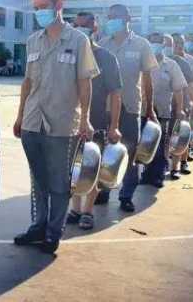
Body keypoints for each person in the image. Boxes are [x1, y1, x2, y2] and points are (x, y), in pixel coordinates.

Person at [13, 0, 99, 253]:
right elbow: (27, 82)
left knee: (60, 182)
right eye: (36, 8)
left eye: (43, 7)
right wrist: (19, 116)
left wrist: (85, 119)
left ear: (59, 4)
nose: (39, 13)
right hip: (32, 121)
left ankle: (53, 232)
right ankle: (37, 227)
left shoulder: (78, 40)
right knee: (37, 179)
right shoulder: (33, 41)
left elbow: (85, 83)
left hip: (63, 123)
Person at [98, 4, 158, 212]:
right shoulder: (102, 44)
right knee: (104, 151)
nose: (111, 20)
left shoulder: (141, 45)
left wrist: (150, 108)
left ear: (127, 18)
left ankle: (126, 195)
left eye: (115, 17)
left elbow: (148, 80)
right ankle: (103, 190)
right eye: (109, 17)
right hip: (105, 107)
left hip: (132, 106)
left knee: (130, 152)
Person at [68, 12, 122, 230]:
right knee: (73, 168)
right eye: (77, 26)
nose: (80, 29)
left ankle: (87, 211)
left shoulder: (106, 58)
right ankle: (74, 208)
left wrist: (115, 126)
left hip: (97, 121)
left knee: (93, 167)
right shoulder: (69, 53)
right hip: (69, 122)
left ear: (95, 29)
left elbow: (116, 94)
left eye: (85, 26)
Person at [140, 33, 187, 186]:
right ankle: (146, 175)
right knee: (145, 145)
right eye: (152, 42)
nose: (155, 45)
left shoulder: (171, 65)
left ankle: (158, 176)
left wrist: (179, 109)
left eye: (159, 42)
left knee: (161, 145)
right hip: (142, 111)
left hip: (162, 112)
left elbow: (179, 89)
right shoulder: (142, 62)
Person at [172, 33, 193, 171]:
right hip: (166, 103)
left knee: (183, 133)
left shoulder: (191, 61)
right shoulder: (163, 59)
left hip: (185, 102)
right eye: (175, 43)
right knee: (170, 136)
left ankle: (180, 164)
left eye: (181, 42)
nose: (178, 45)